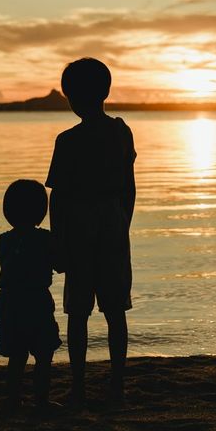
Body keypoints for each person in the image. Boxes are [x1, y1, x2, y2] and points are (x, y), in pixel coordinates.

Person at [46, 58, 136, 408]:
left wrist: (57, 240)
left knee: (78, 312)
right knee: (115, 311)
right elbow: (129, 188)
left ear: (72, 97)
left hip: (81, 226)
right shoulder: (121, 131)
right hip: (113, 222)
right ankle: (117, 384)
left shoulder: (68, 140)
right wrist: (122, 223)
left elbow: (59, 196)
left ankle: (79, 386)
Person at [0, 179, 61, 412]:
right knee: (43, 355)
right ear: (41, 211)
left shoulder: (4, 240)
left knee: (17, 354)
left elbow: (6, 265)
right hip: (37, 302)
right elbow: (60, 264)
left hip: (10, 302)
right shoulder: (45, 239)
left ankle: (13, 399)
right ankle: (41, 400)